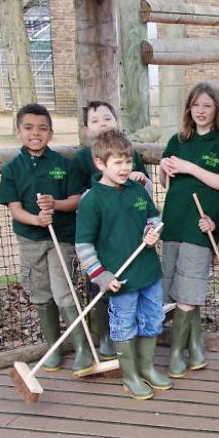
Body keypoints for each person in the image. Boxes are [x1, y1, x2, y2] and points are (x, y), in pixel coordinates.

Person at [0, 103, 92, 376]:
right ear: (18, 132)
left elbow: (75, 201)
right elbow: (15, 209)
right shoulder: (12, 169)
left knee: (64, 291)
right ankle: (53, 348)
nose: (35, 133)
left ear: (50, 133)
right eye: (28, 128)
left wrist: (55, 204)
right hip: (30, 239)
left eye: (42, 128)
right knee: (41, 294)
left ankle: (82, 348)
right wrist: (36, 219)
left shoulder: (64, 165)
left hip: (61, 238)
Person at [75, 129, 171, 400]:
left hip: (148, 271)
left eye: (128, 161)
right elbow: (84, 246)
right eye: (117, 162)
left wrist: (152, 231)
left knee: (153, 319)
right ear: (100, 163)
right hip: (119, 279)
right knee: (124, 325)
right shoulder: (92, 201)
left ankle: (148, 368)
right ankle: (130, 377)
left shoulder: (137, 191)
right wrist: (100, 275)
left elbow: (154, 216)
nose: (124, 168)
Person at [157, 81, 219, 378]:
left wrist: (191, 168)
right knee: (175, 286)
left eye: (207, 105)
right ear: (188, 108)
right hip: (173, 222)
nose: (201, 110)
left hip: (200, 226)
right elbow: (166, 183)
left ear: (216, 108)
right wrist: (165, 167)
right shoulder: (178, 140)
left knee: (189, 288)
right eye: (196, 105)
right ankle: (196, 348)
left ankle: (177, 354)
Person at [72, 100, 152, 361]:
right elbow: (77, 198)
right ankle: (105, 335)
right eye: (95, 120)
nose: (102, 123)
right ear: (86, 129)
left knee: (131, 292)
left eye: (107, 118)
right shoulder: (83, 159)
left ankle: (131, 342)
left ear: (117, 121)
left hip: (128, 233)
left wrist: (141, 180)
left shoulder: (130, 153)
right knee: (100, 288)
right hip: (100, 233)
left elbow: (144, 194)